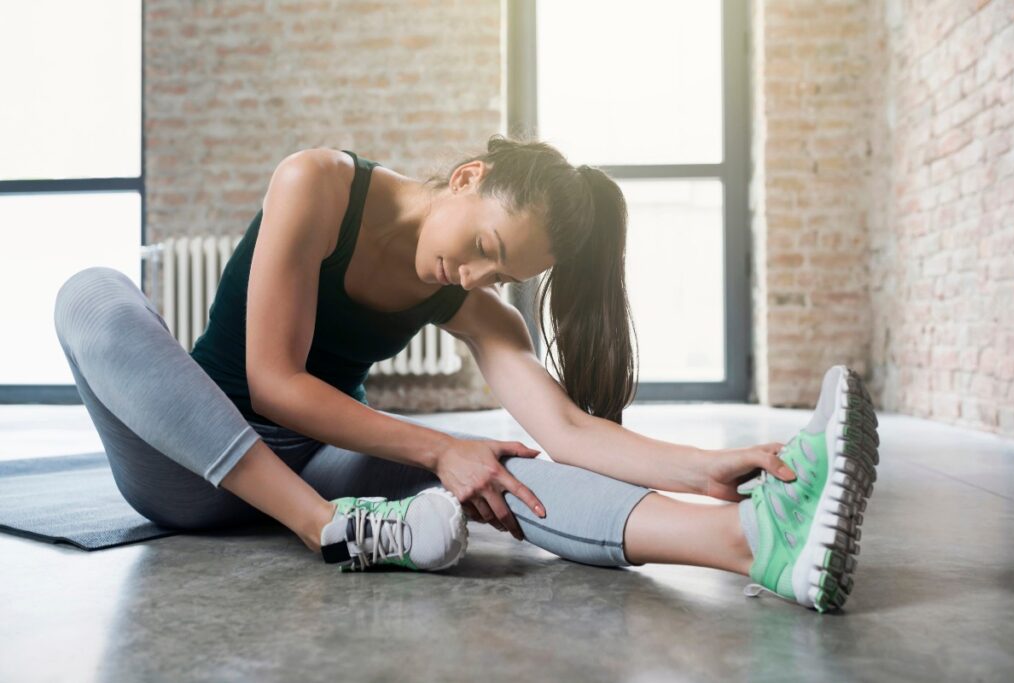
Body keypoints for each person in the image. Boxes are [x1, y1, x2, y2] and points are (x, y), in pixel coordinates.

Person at [53, 134, 878, 613]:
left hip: (321, 463)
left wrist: (707, 470)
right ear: (468, 178)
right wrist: (432, 449)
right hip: (192, 466)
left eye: (500, 272)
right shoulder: (317, 183)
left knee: (499, 463)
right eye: (484, 247)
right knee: (90, 295)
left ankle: (753, 544)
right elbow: (271, 382)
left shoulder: (473, 304)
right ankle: (327, 529)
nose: (477, 278)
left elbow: (569, 432)